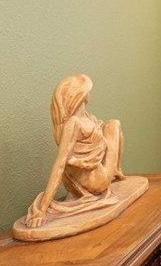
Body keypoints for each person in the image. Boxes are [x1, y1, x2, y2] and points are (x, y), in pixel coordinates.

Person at [25, 74, 127, 228]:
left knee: (111, 124)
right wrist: (43, 208)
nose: (89, 93)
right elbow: (59, 165)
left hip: (89, 177)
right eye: (87, 89)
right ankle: (115, 171)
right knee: (114, 124)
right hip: (98, 181)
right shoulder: (74, 124)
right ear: (79, 94)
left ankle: (117, 171)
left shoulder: (87, 118)